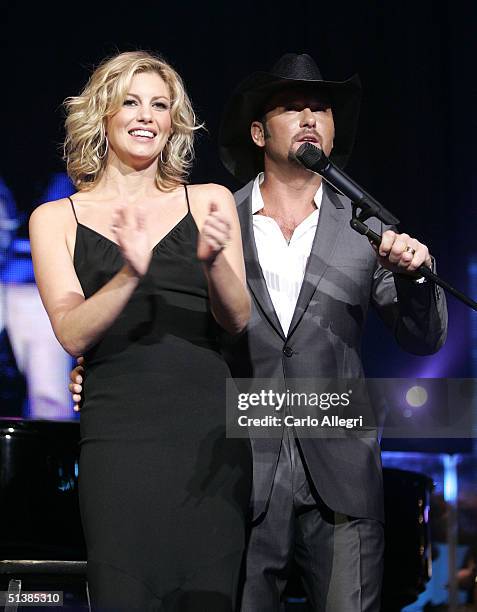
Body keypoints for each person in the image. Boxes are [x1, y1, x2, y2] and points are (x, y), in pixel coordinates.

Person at [70, 53, 448, 611]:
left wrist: (418, 278)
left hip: (339, 463)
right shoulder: (213, 215)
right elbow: (177, 320)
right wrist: (97, 368)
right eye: (292, 107)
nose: (309, 117)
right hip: (243, 466)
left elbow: (423, 338)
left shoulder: (366, 227)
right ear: (257, 131)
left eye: (321, 108)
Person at [30, 50, 252, 611]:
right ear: (102, 114)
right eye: (131, 101)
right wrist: (131, 271)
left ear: (174, 121)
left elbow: (237, 319)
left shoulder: (208, 201)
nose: (147, 115)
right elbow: (72, 333)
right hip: (119, 440)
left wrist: (213, 260)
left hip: (207, 440)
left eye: (161, 105)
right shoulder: (55, 219)